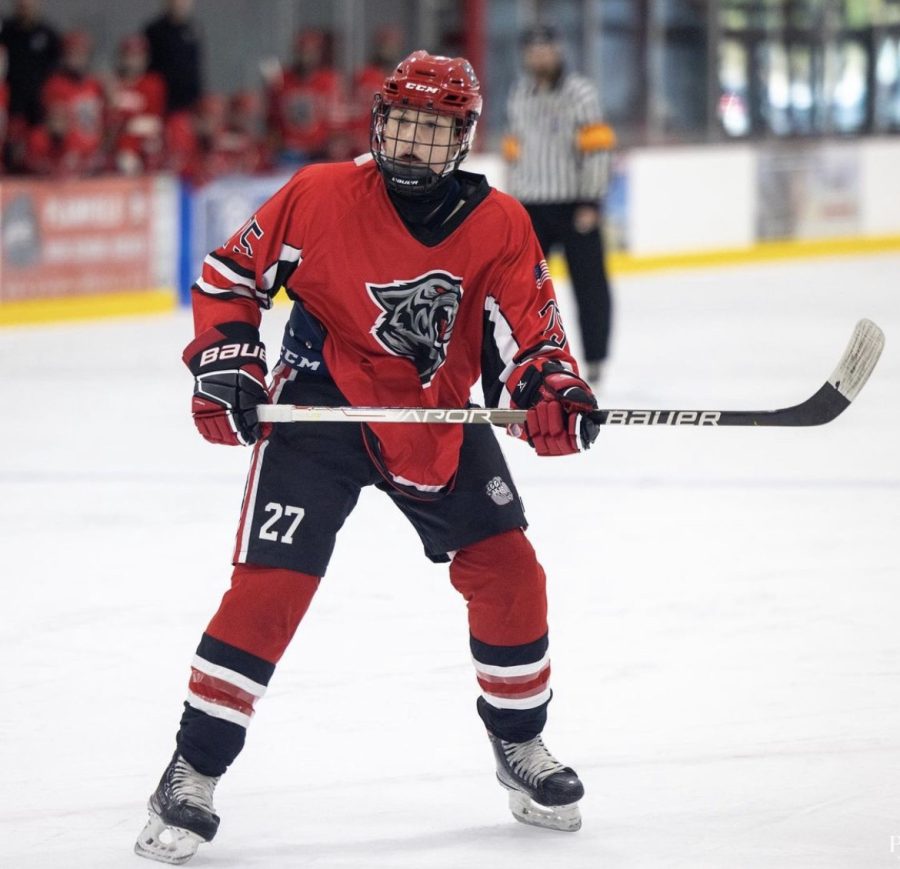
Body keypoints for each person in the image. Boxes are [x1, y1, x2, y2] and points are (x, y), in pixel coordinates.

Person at [134, 50, 600, 865]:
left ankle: (520, 744)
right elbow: (228, 276)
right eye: (404, 123)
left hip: (435, 416)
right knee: (272, 585)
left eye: (434, 129)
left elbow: (534, 332)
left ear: (461, 137)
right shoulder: (317, 194)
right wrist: (226, 357)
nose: (414, 143)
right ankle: (191, 769)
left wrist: (550, 387)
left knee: (511, 570)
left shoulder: (500, 223)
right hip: (319, 411)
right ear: (380, 121)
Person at [503, 24, 615, 386]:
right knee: (524, 289)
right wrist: (512, 204)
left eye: (546, 49)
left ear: (558, 51)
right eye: (533, 51)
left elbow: (597, 147)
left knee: (590, 285)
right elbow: (514, 152)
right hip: (531, 207)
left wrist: (591, 200)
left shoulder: (580, 93)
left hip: (575, 205)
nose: (540, 57)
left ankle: (595, 358)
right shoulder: (519, 93)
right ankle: (525, 355)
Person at [0, 0, 61, 170]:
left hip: (37, 108)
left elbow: (54, 75)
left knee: (34, 153)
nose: (25, 5)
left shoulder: (48, 35)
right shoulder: (6, 31)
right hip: (10, 104)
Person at [144, 0, 203, 115]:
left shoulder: (194, 29)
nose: (180, 5)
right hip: (165, 98)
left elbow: (196, 65)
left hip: (189, 98)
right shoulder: (155, 30)